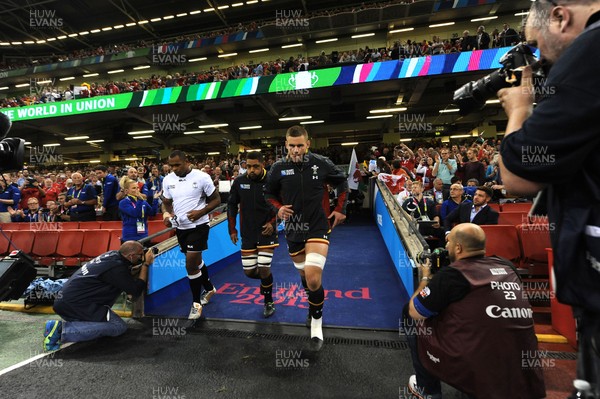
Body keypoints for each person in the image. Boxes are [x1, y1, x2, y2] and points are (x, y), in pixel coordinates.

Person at [497, 1, 600, 396]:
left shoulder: (590, 50)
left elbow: (517, 176)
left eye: (535, 46)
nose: (539, 59)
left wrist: (520, 109)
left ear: (560, 16)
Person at [404, 223, 545, 398]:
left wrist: (426, 277)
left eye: (448, 242)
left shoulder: (452, 275)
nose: (445, 246)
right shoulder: (508, 266)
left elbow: (415, 311)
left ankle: (427, 391)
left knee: (409, 316)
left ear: (458, 247)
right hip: (525, 365)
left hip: (477, 362)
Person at [264, 125, 348, 347]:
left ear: (308, 144)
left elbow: (342, 183)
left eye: (300, 145)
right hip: (293, 230)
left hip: (317, 227)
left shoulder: (322, 163)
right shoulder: (277, 168)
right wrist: (278, 209)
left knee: (312, 277)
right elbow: (269, 194)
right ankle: (313, 304)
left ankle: (316, 322)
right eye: (292, 146)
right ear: (286, 145)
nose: (296, 150)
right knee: (305, 279)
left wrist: (341, 208)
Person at [44, 241, 155, 351]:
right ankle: (62, 330)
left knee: (100, 324)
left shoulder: (112, 256)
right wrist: (146, 265)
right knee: (118, 326)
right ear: (131, 256)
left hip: (67, 303)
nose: (142, 257)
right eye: (140, 255)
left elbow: (117, 275)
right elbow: (135, 291)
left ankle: (72, 326)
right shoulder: (117, 268)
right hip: (78, 305)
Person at [161, 150, 220, 318]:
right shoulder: (168, 180)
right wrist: (166, 214)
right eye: (171, 165)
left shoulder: (201, 177)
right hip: (180, 228)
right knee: (197, 262)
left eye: (177, 165)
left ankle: (196, 303)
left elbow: (216, 200)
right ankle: (209, 289)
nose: (174, 168)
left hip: (199, 226)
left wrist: (201, 212)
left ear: (187, 161)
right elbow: (165, 203)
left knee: (190, 265)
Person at [227, 151, 278, 318]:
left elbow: (282, 205)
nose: (251, 170)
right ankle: (267, 281)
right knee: (249, 272)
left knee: (263, 266)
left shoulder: (272, 181)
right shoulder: (239, 182)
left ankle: (268, 301)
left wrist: (273, 223)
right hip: (247, 233)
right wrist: (232, 229)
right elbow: (232, 205)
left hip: (266, 231)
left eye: (255, 166)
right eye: (248, 166)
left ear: (263, 164)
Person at [119, 177, 156, 244]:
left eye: (137, 188)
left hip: (144, 235)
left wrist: (155, 200)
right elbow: (135, 213)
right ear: (126, 191)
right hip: (130, 236)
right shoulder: (123, 202)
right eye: (134, 188)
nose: (137, 190)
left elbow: (152, 213)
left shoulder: (142, 202)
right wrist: (140, 199)